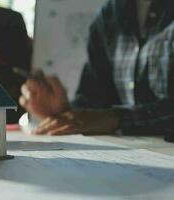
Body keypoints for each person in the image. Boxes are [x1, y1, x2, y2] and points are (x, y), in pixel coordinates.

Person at [20, 0, 174, 138]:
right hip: (133, 155)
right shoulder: (110, 13)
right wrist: (62, 112)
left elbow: (104, 118)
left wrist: (115, 118)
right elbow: (94, 101)